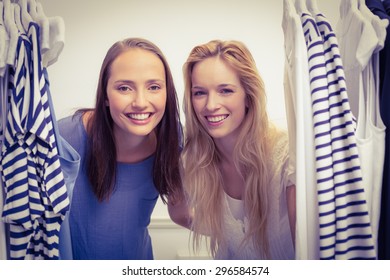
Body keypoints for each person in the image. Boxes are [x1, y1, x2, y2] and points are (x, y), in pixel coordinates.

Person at [169, 40, 296, 259]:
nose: (211, 105)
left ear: (248, 95)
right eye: (200, 93)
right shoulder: (193, 160)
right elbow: (179, 214)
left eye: (225, 90)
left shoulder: (286, 159)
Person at [58, 37, 182, 260]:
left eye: (154, 87)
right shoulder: (63, 140)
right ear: (105, 95)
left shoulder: (173, 139)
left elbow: (185, 211)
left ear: (167, 92)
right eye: (124, 88)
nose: (141, 102)